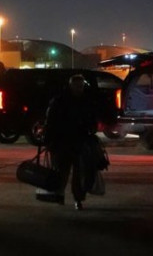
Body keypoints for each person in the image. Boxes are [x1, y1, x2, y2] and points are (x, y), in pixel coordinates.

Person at [43, 74, 98, 209]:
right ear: (71, 86)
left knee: (78, 172)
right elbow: (50, 122)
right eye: (77, 86)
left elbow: (92, 119)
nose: (79, 89)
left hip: (77, 141)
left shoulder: (83, 101)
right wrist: (49, 140)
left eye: (81, 86)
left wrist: (91, 129)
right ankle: (62, 195)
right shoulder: (61, 101)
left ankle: (76, 198)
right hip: (63, 141)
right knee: (62, 171)